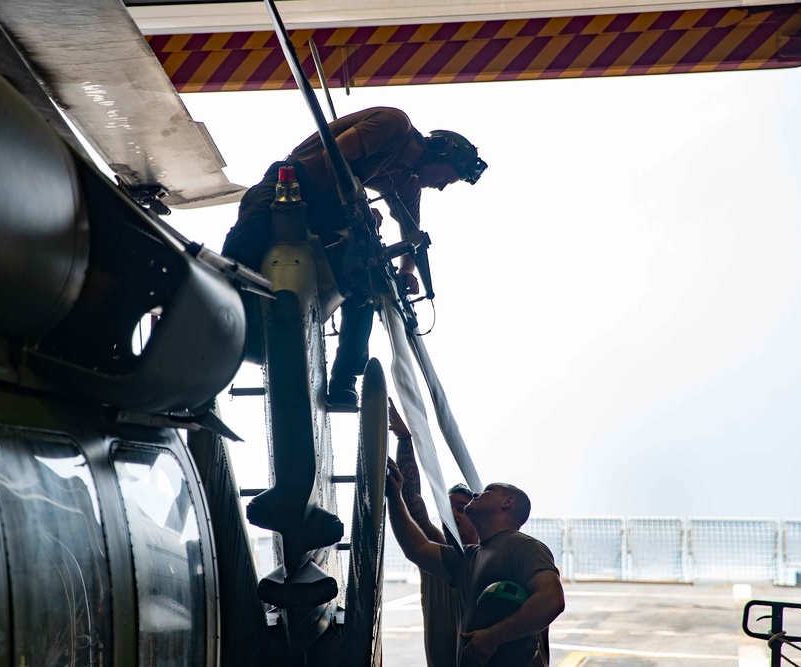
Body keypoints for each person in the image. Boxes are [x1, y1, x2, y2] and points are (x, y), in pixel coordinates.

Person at [221, 107, 487, 411]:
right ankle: (220, 306)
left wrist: (406, 271)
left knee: (366, 279)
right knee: (246, 237)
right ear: (440, 153)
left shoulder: (406, 181)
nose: (441, 186)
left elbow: (411, 232)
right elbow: (334, 155)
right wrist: (357, 206)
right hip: (297, 181)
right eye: (447, 178)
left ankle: (344, 380)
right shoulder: (394, 125)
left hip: (330, 209)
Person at [386, 463, 565, 666]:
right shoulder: (469, 557)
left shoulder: (524, 547)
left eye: (489, 490)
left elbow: (552, 599)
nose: (478, 494)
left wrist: (493, 636)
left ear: (507, 503)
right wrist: (394, 497)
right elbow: (417, 549)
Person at [388, 399, 479, 667]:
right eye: (450, 510)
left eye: (463, 508)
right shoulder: (438, 550)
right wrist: (405, 438)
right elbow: (411, 497)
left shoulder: (493, 556)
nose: (455, 515)